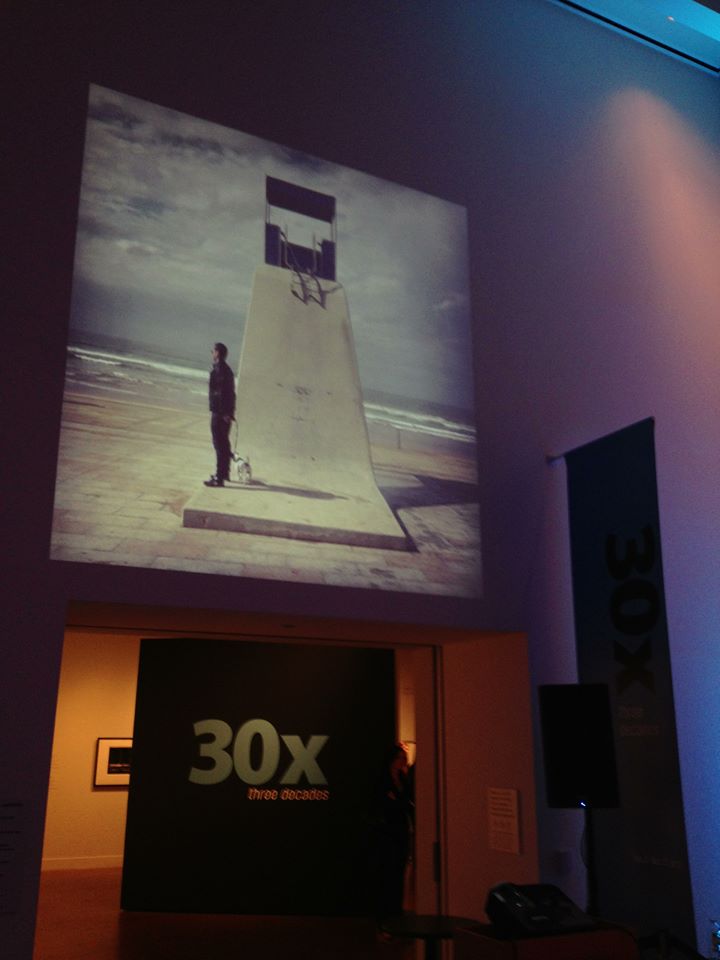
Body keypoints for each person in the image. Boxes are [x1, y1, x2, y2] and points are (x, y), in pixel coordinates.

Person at [370, 742, 415, 933]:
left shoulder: (404, 779)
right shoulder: (383, 781)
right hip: (387, 833)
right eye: (400, 758)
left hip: (401, 832)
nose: (403, 761)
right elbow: (384, 805)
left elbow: (406, 804)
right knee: (386, 875)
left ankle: (396, 917)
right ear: (391, 760)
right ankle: (384, 920)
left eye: (404, 758)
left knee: (398, 875)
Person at [204, 342, 235, 488]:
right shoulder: (227, 370)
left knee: (219, 444)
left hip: (219, 413)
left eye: (213, 351)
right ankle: (224, 473)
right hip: (224, 413)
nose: (212, 353)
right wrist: (230, 413)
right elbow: (231, 394)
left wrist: (223, 413)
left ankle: (219, 478)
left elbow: (221, 393)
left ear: (217, 353)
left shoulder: (219, 370)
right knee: (224, 443)